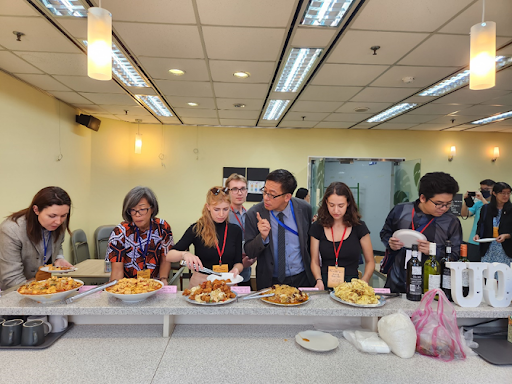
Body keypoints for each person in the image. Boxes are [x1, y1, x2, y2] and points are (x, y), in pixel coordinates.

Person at [380, 172, 462, 293]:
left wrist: (433, 251)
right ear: (423, 198)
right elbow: (385, 233)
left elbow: (456, 254)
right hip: (397, 281)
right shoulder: (401, 210)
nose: (444, 208)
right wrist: (390, 243)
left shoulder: (451, 221)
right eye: (439, 204)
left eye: (448, 203)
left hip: (431, 286)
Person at [245, 169, 313, 290]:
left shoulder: (304, 209)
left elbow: (309, 243)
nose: (266, 198)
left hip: (302, 278)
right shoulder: (254, 213)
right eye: (264, 191)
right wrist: (262, 237)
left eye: (272, 194)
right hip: (270, 280)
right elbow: (250, 252)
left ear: (287, 197)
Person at [167, 187, 243, 288]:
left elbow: (239, 262)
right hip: (201, 282)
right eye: (216, 209)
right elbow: (169, 256)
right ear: (208, 207)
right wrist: (184, 254)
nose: (221, 214)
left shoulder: (235, 230)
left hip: (227, 282)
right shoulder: (197, 228)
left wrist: (236, 269)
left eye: (225, 209)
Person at [0, 186, 73, 290]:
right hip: (15, 290)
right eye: (52, 216)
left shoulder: (59, 221)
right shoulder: (11, 230)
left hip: (39, 285)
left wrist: (59, 258)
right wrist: (41, 290)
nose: (58, 221)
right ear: (36, 210)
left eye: (63, 215)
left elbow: (58, 244)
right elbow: (11, 279)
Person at [310, 182, 375, 290]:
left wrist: (365, 280)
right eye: (331, 205)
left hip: (352, 285)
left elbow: (370, 261)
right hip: (324, 283)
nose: (336, 210)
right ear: (326, 203)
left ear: (348, 203)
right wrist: (318, 280)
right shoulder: (318, 227)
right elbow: (314, 261)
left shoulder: (359, 227)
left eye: (341, 205)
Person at [106, 186, 172, 284]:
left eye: (142, 209)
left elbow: (165, 258)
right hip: (128, 285)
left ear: (152, 209)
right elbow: (117, 271)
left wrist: (163, 279)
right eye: (133, 210)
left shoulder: (162, 227)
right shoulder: (120, 232)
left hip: (154, 284)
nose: (137, 214)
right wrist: (120, 290)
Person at [225, 173, 253, 287]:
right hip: (228, 273)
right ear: (228, 192)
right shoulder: (223, 215)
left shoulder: (250, 215)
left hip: (246, 273)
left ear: (246, 192)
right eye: (235, 189)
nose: (239, 193)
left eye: (242, 189)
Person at [474, 182, 512, 265]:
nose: (506, 196)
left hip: (506, 249)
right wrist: (477, 234)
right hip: (488, 247)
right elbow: (480, 224)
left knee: (504, 275)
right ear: (494, 193)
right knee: (487, 274)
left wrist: (507, 235)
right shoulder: (486, 208)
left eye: (508, 193)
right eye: (502, 193)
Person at [461, 179, 495, 260]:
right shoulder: (478, 204)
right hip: (474, 240)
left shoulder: (496, 204)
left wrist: (482, 199)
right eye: (482, 189)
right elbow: (465, 214)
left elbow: (492, 213)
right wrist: (466, 200)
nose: (484, 191)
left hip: (489, 241)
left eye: (487, 189)